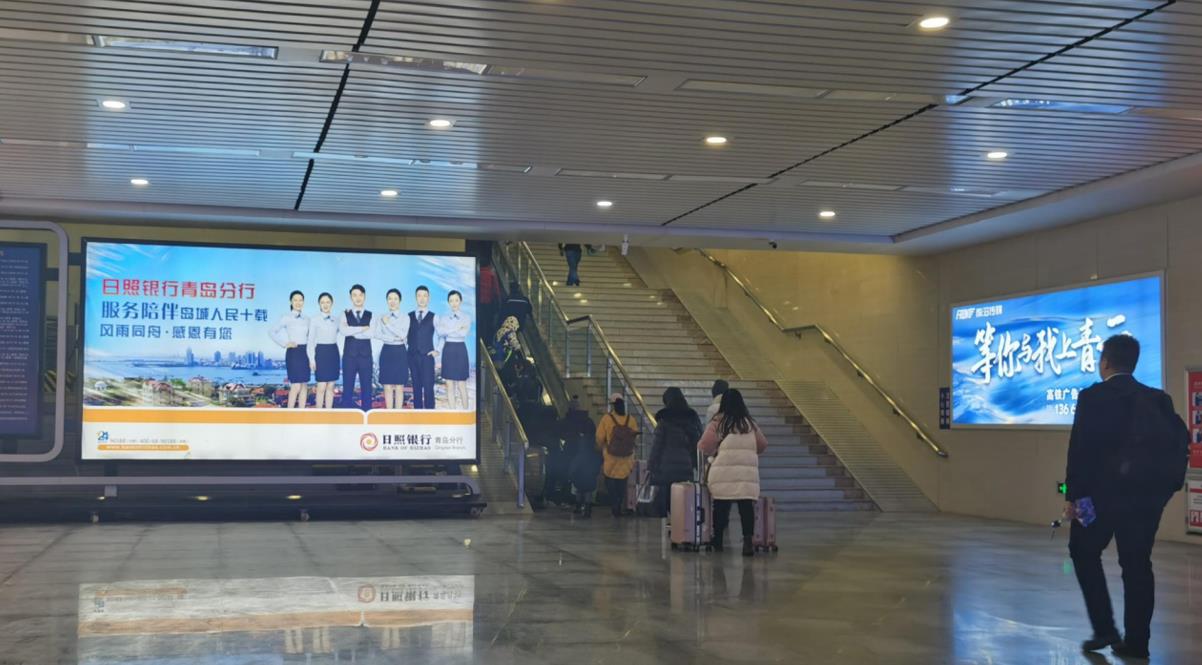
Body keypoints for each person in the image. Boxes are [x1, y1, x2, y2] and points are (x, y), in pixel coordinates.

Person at [1065, 334, 1188, 658]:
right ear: (1133, 363)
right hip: (1146, 502)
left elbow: (1080, 451)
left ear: (1105, 362)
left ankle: (1104, 627)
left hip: (1097, 501)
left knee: (1082, 551)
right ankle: (1137, 643)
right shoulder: (1158, 399)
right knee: (1137, 566)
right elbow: (1177, 445)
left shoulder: (1092, 397)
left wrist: (1073, 496)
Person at [698, 388, 767, 556]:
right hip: (746, 474)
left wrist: (715, 451)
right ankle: (748, 542)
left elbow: (704, 445)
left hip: (723, 473)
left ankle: (718, 540)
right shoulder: (749, 424)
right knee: (746, 507)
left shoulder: (718, 423)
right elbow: (762, 445)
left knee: (721, 505)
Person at [648, 387, 703, 516]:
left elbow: (656, 445)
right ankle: (681, 524)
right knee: (682, 501)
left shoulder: (664, 420)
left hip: (666, 469)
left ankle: (671, 523)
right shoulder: (692, 418)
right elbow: (698, 442)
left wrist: (651, 465)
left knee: (668, 501)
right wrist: (696, 464)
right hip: (686, 468)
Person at [595, 393, 640, 517]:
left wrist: (602, 446)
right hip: (627, 458)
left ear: (612, 405)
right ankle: (619, 504)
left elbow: (599, 437)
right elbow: (635, 437)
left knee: (609, 480)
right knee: (622, 482)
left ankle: (614, 503)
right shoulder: (631, 419)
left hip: (611, 456)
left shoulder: (607, 419)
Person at [270, 290, 310, 409]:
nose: (298, 302)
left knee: (304, 385)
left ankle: (302, 414)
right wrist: (285, 343)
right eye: (295, 300)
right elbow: (271, 332)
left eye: (300, 300)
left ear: (303, 302)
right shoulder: (286, 317)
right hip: (294, 352)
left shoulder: (307, 319)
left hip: (305, 352)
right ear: (291, 302)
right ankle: (290, 413)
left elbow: (311, 337)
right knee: (295, 386)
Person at [339, 284, 374, 410]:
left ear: (364, 296)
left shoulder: (371, 314)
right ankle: (346, 418)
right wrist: (362, 328)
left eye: (360, 295)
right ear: (350, 297)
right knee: (347, 388)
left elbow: (371, 334)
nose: (358, 298)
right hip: (349, 357)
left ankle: (367, 416)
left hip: (366, 357)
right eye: (354, 295)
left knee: (367, 389)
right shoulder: (344, 314)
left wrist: (352, 330)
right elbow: (343, 331)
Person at [564, 398, 600, 517]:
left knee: (578, 487)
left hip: (573, 455)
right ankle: (588, 507)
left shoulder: (570, 420)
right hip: (590, 462)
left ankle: (578, 506)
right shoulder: (588, 421)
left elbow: (565, 434)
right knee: (588, 488)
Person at [375, 288, 409, 410]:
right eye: (390, 299)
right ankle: (389, 413)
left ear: (400, 301)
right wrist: (393, 338)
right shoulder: (381, 317)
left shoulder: (405, 317)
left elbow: (403, 335)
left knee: (399, 386)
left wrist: (388, 324)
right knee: (387, 385)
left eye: (395, 299)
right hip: (387, 351)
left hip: (400, 352)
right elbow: (377, 334)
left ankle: (398, 414)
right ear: (387, 301)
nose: (392, 301)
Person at [437, 290, 472, 410]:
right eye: (451, 301)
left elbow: (463, 334)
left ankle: (465, 412)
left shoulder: (466, 317)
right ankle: (453, 412)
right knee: (449, 383)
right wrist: (457, 328)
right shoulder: (444, 318)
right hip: (448, 349)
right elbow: (440, 333)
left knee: (462, 383)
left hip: (460, 349)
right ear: (448, 302)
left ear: (460, 301)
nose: (454, 303)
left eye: (456, 300)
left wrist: (448, 330)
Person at [406, 285, 439, 410]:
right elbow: (404, 335)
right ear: (416, 297)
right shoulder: (408, 316)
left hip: (427, 357)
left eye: (425, 296)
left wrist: (438, 350)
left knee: (428, 388)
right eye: (419, 295)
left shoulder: (434, 317)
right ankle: (417, 415)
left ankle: (430, 416)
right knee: (416, 388)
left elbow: (442, 334)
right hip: (412, 356)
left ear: (428, 298)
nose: (422, 298)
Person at [307, 292, 341, 409]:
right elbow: (310, 341)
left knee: (331, 386)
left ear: (332, 303)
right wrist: (312, 359)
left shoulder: (336, 320)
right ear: (319, 304)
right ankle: (319, 413)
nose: (325, 304)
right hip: (321, 352)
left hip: (333, 352)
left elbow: (343, 331)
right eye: (322, 302)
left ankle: (328, 412)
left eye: (327, 302)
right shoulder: (314, 320)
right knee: (321, 386)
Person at [478, 256, 502, 334]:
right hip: (488, 302)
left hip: (478, 301)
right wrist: (498, 301)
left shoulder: (476, 273)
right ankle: (487, 337)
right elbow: (496, 289)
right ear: (489, 264)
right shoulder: (491, 274)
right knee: (488, 321)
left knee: (479, 321)